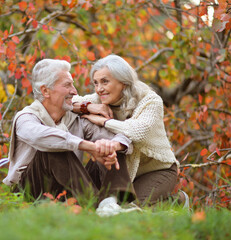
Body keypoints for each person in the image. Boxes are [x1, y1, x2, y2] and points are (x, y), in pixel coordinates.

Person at [3, 59, 141, 216]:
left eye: (73, 84)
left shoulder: (75, 119)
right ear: (46, 91)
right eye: (67, 85)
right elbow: (41, 137)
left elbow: (119, 137)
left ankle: (109, 204)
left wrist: (111, 146)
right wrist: (88, 147)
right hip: (32, 190)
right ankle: (94, 206)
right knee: (54, 148)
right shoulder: (26, 118)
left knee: (109, 146)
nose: (75, 91)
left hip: (67, 188)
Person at [72, 54, 181, 206]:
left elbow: (137, 131)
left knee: (130, 210)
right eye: (96, 83)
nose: (99, 89)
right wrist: (88, 107)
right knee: (92, 207)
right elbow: (67, 103)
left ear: (123, 82)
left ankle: (176, 202)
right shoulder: (99, 99)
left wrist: (105, 122)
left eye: (105, 81)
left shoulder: (150, 100)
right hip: (122, 170)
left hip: (156, 170)